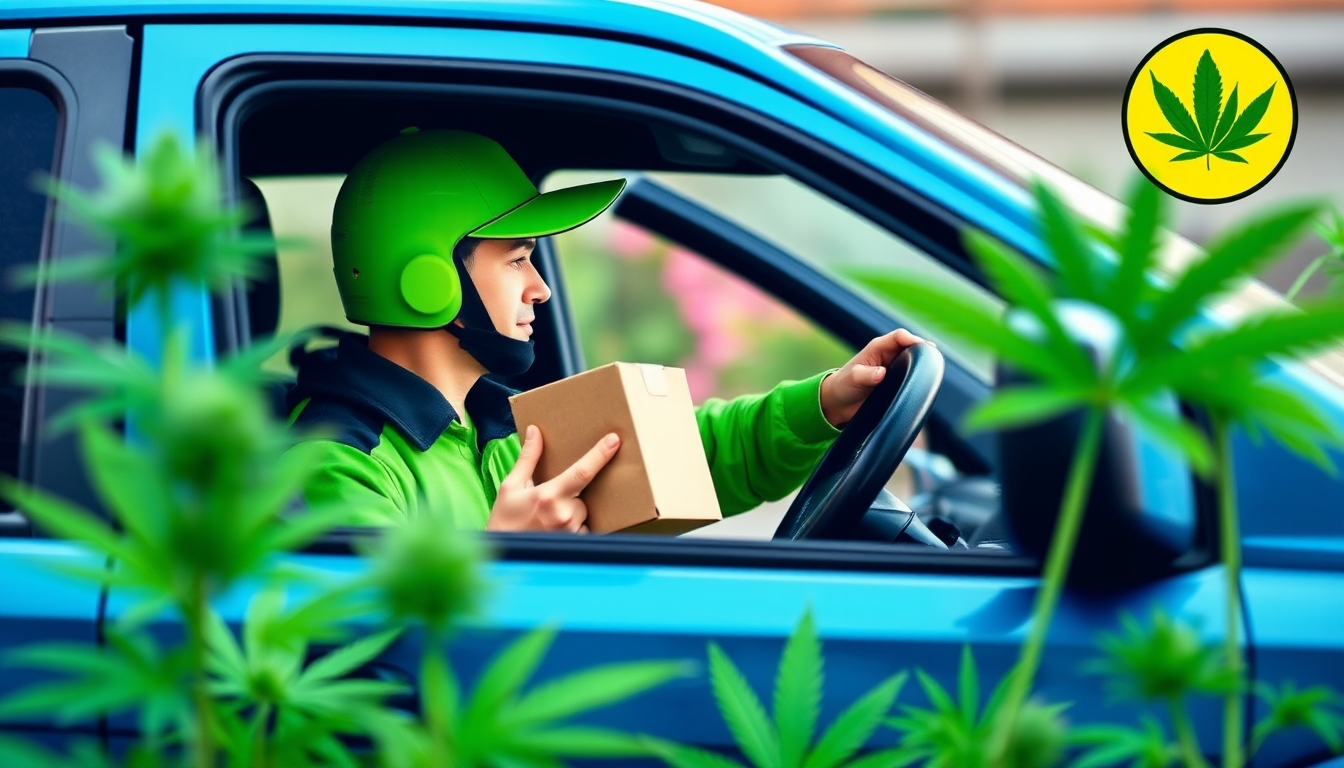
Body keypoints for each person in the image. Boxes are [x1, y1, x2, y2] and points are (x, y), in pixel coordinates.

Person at [286, 128, 925, 531]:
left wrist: (825, 405)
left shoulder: (505, 424)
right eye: (517, 260)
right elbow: (370, 671)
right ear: (428, 280)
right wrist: (506, 553)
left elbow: (693, 455)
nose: (540, 288)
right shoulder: (336, 461)